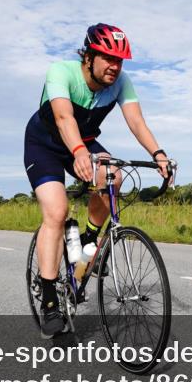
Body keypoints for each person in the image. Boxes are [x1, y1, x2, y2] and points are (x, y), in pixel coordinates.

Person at [23, 23, 172, 337]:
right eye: (108, 58)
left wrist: (158, 154)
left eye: (120, 61)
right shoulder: (61, 72)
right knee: (57, 212)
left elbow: (136, 121)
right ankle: (49, 300)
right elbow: (63, 117)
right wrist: (78, 152)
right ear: (88, 56)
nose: (115, 67)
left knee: (114, 176)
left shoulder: (120, 83)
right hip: (45, 144)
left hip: (85, 142)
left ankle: (89, 241)